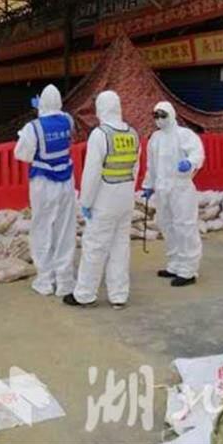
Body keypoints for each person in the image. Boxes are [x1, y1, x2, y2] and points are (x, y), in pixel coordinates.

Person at [63, 90, 139, 309]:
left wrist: (86, 202)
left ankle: (85, 294)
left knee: (95, 248)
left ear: (102, 109)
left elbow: (92, 173)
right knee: (120, 248)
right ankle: (119, 295)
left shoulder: (100, 134)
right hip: (125, 199)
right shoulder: (132, 134)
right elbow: (135, 168)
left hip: (105, 200)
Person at [14, 84, 76, 297]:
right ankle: (65, 280)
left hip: (43, 183)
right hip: (66, 181)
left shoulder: (33, 127)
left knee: (42, 228)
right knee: (65, 230)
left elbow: (22, 154)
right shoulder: (68, 120)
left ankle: (45, 280)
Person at [141, 101, 205, 287]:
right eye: (156, 116)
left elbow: (198, 153)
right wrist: (148, 185)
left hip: (181, 188)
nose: (159, 119)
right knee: (166, 225)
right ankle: (175, 264)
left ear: (171, 114)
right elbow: (151, 165)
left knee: (185, 226)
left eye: (163, 115)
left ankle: (188, 269)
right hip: (162, 189)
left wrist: (190, 163)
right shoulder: (155, 138)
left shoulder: (184, 135)